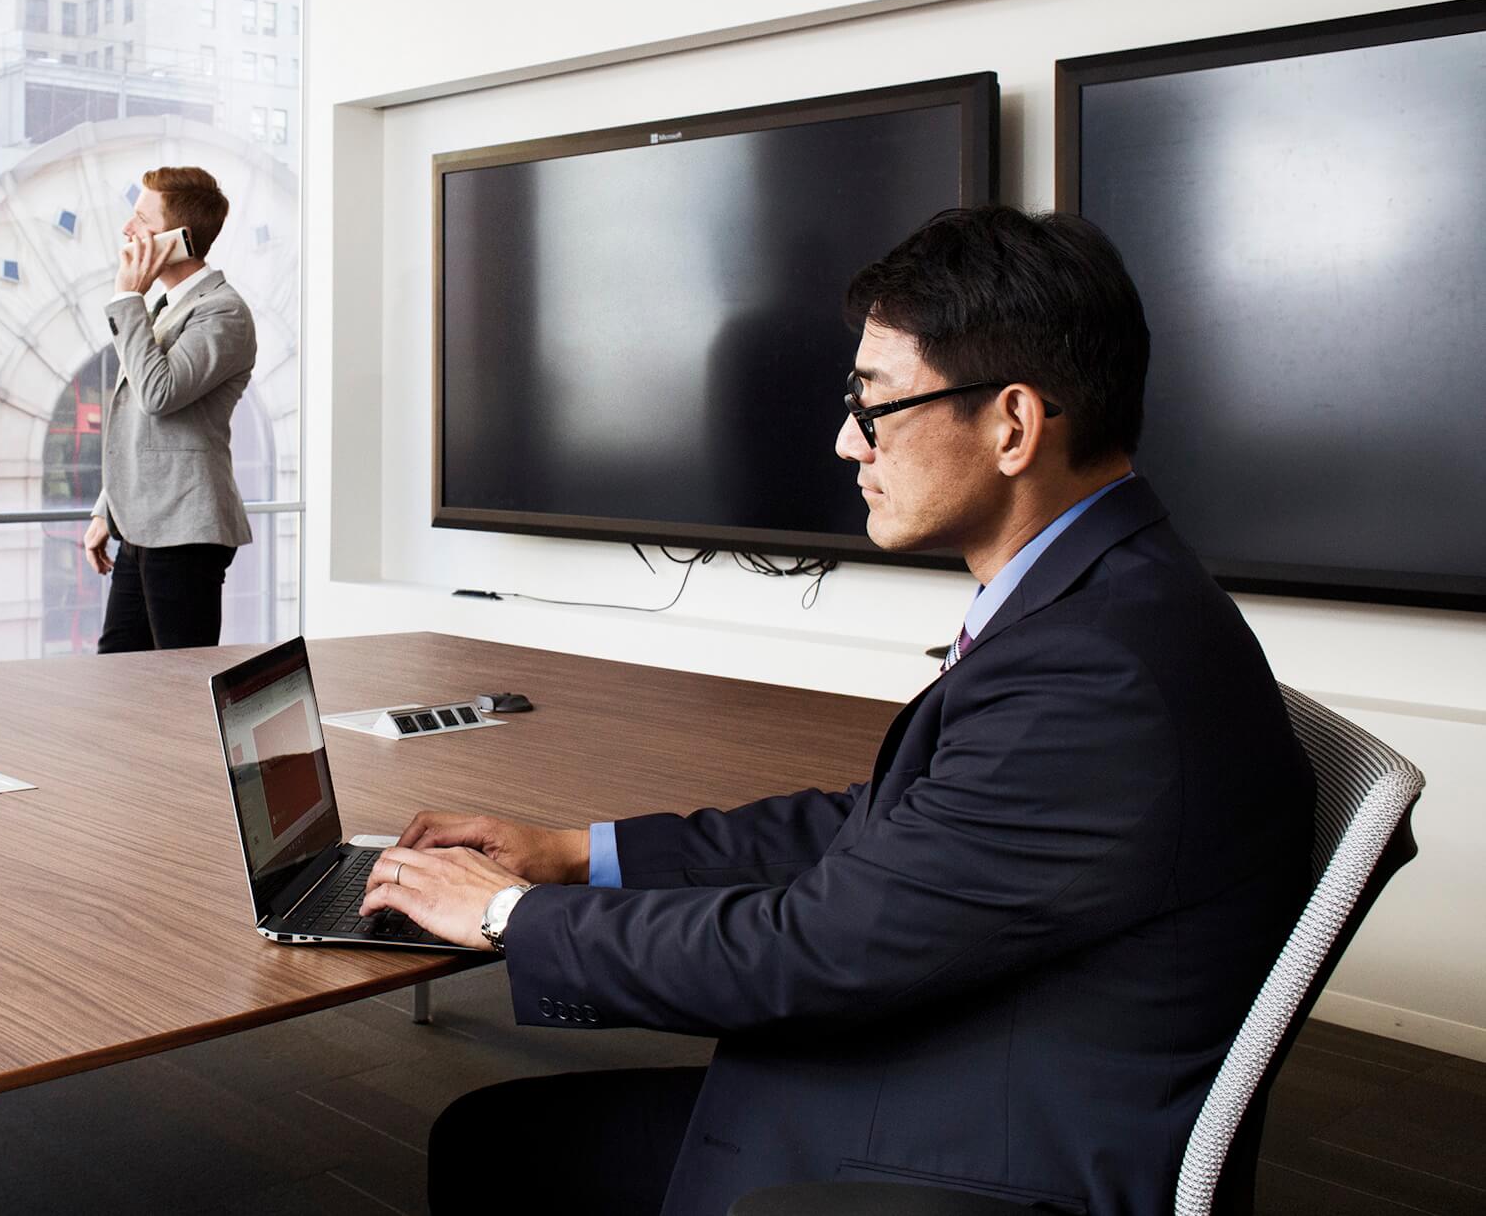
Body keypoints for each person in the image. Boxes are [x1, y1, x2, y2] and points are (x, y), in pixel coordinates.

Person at [359, 207, 1315, 1216]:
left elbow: (808, 952)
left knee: (496, 1149)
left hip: (968, 1154)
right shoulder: (1109, 595)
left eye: (874, 406)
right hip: (969, 1056)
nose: (843, 442)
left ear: (1011, 425)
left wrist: (503, 912)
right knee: (505, 1137)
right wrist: (571, 852)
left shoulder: (1096, 669)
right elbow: (883, 830)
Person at [83, 166, 257, 652]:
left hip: (186, 531)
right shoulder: (163, 309)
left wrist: (126, 298)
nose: (127, 230)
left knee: (178, 689)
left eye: (141, 219)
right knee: (119, 677)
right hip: (140, 526)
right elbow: (137, 423)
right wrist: (107, 511)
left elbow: (160, 394)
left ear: (178, 238)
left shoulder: (223, 312)